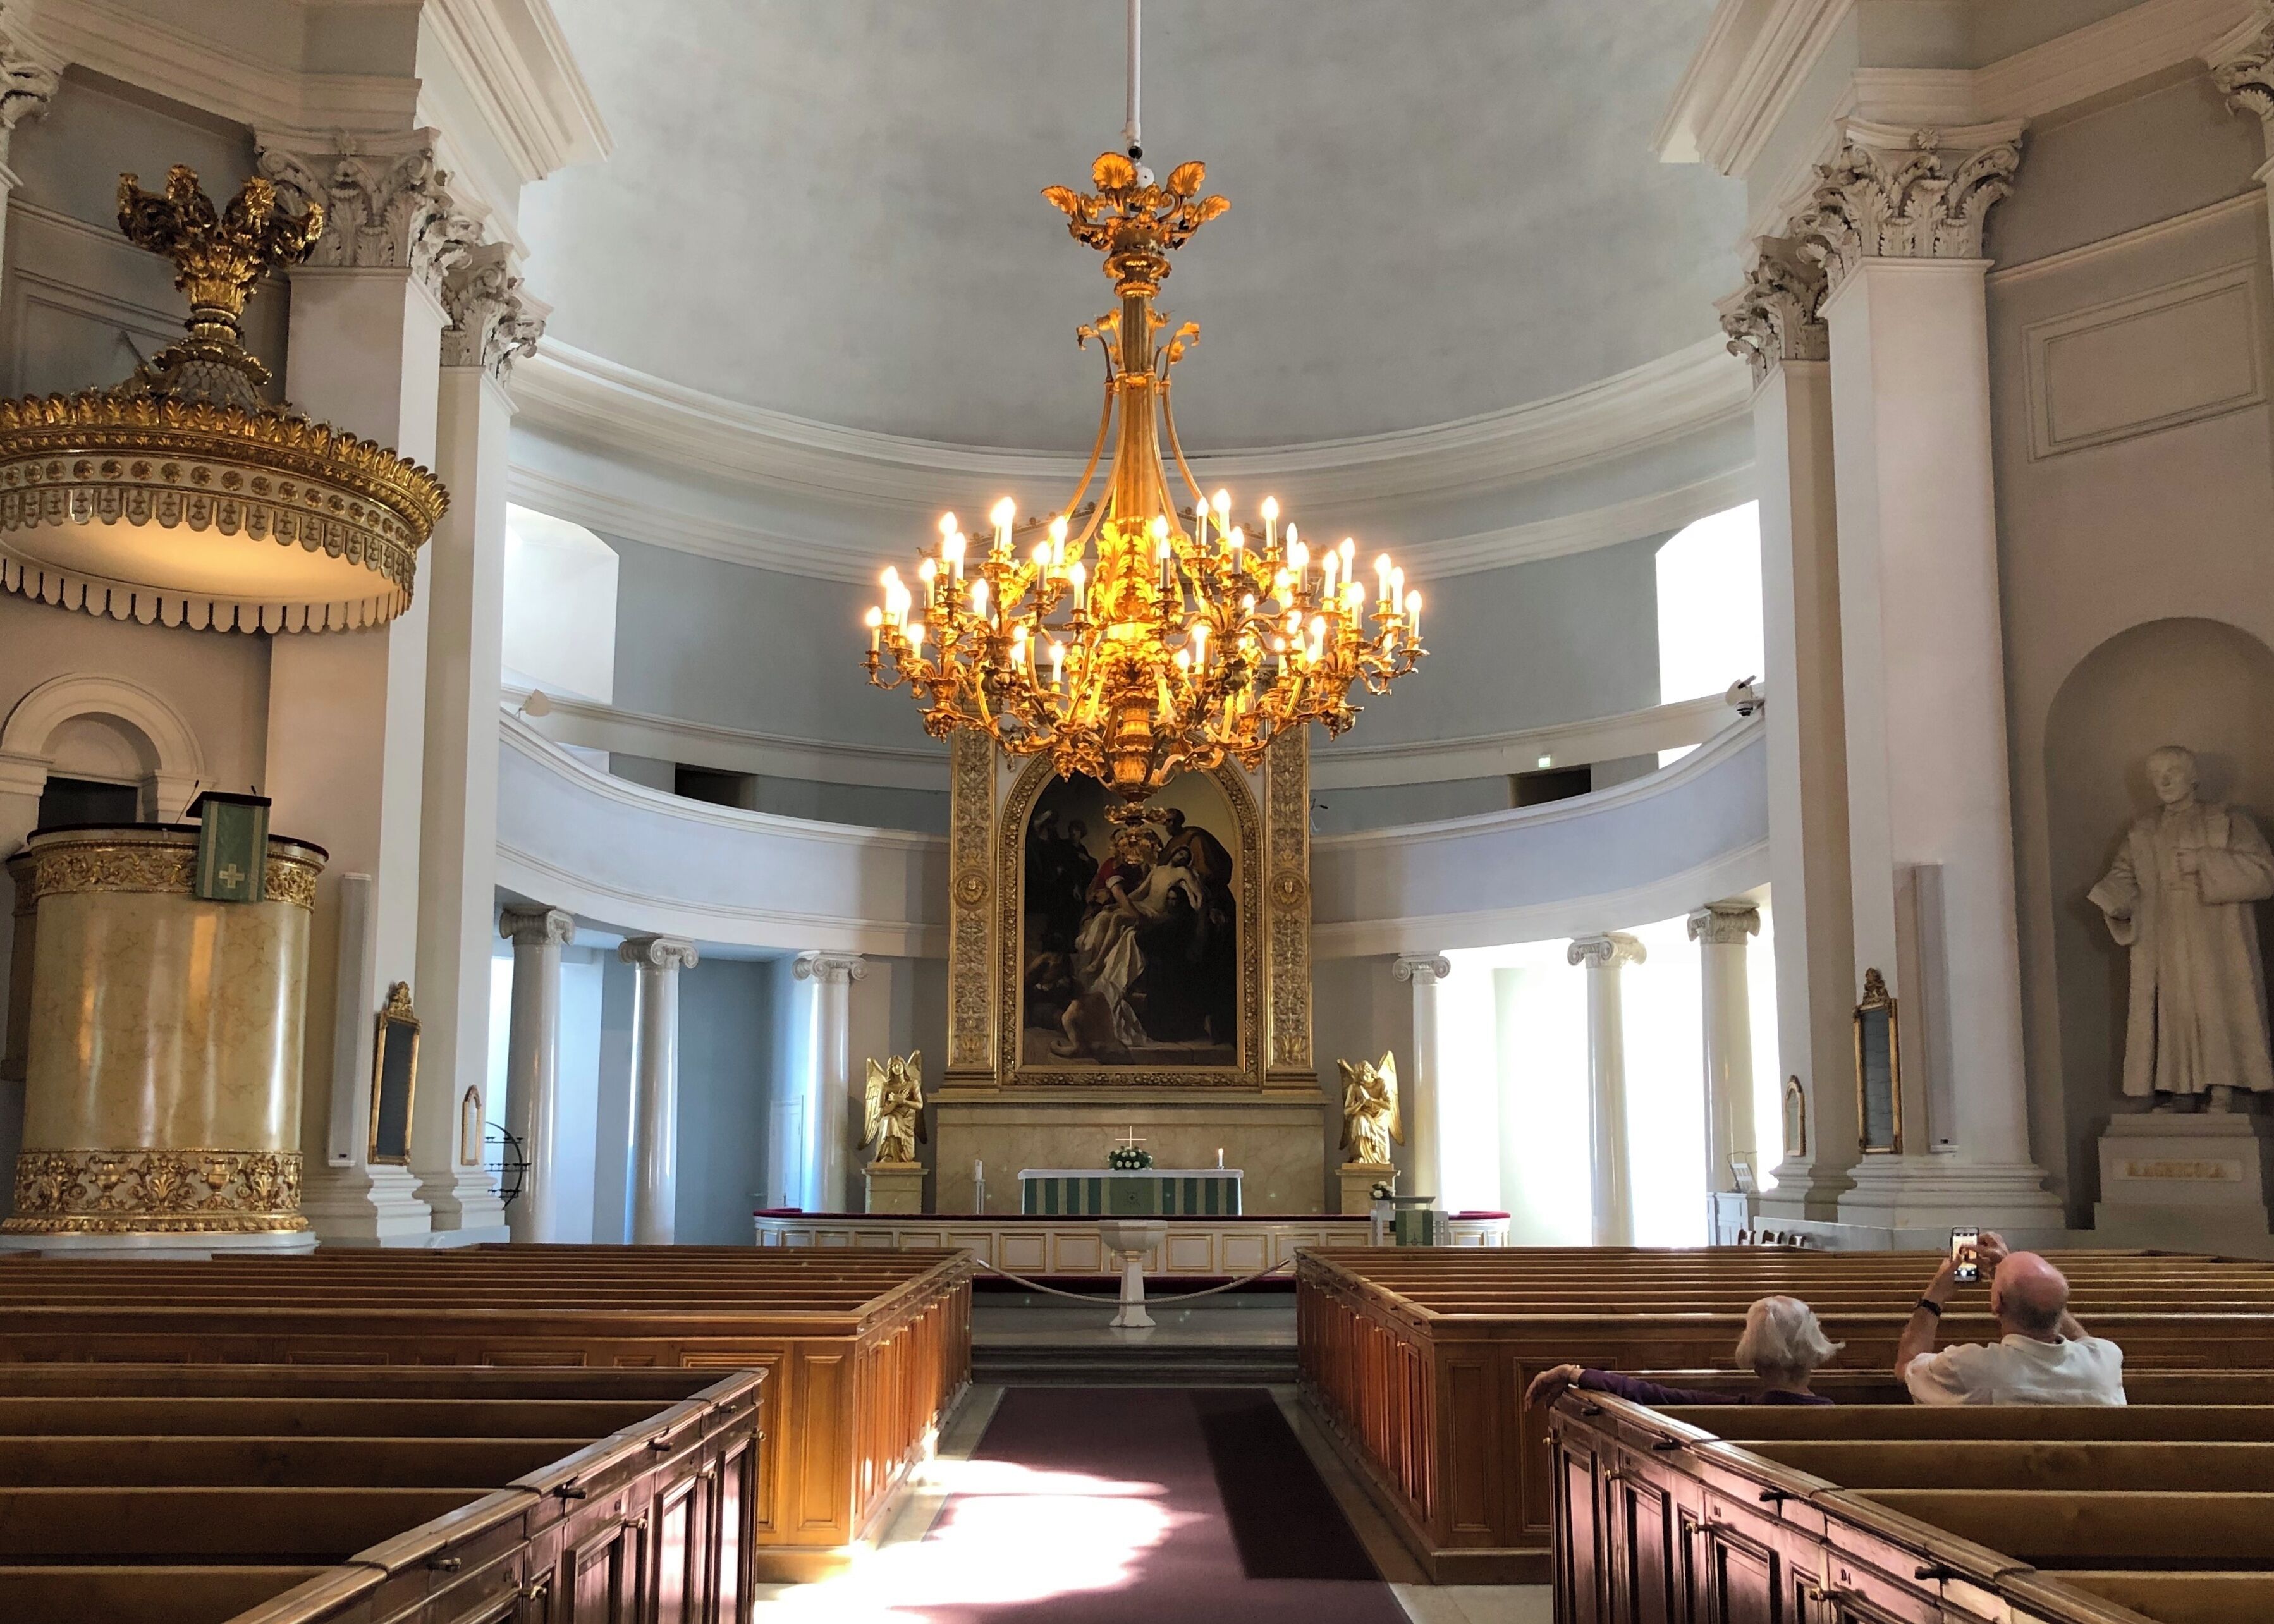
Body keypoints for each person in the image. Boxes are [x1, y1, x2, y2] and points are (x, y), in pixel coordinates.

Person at [1897, 1231, 2127, 1405]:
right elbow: (2085, 1344)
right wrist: (2008, 1270)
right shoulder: (2106, 1359)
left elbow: (1906, 1367)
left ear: (1997, 1304)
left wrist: (1936, 1292)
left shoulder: (1967, 1366)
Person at [1524, 1295, 1841, 1409]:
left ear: (1756, 1364)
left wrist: (1572, 1372)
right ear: (1814, 1355)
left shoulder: (1741, 1415)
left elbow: (1655, 1396)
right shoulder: (1841, 1420)